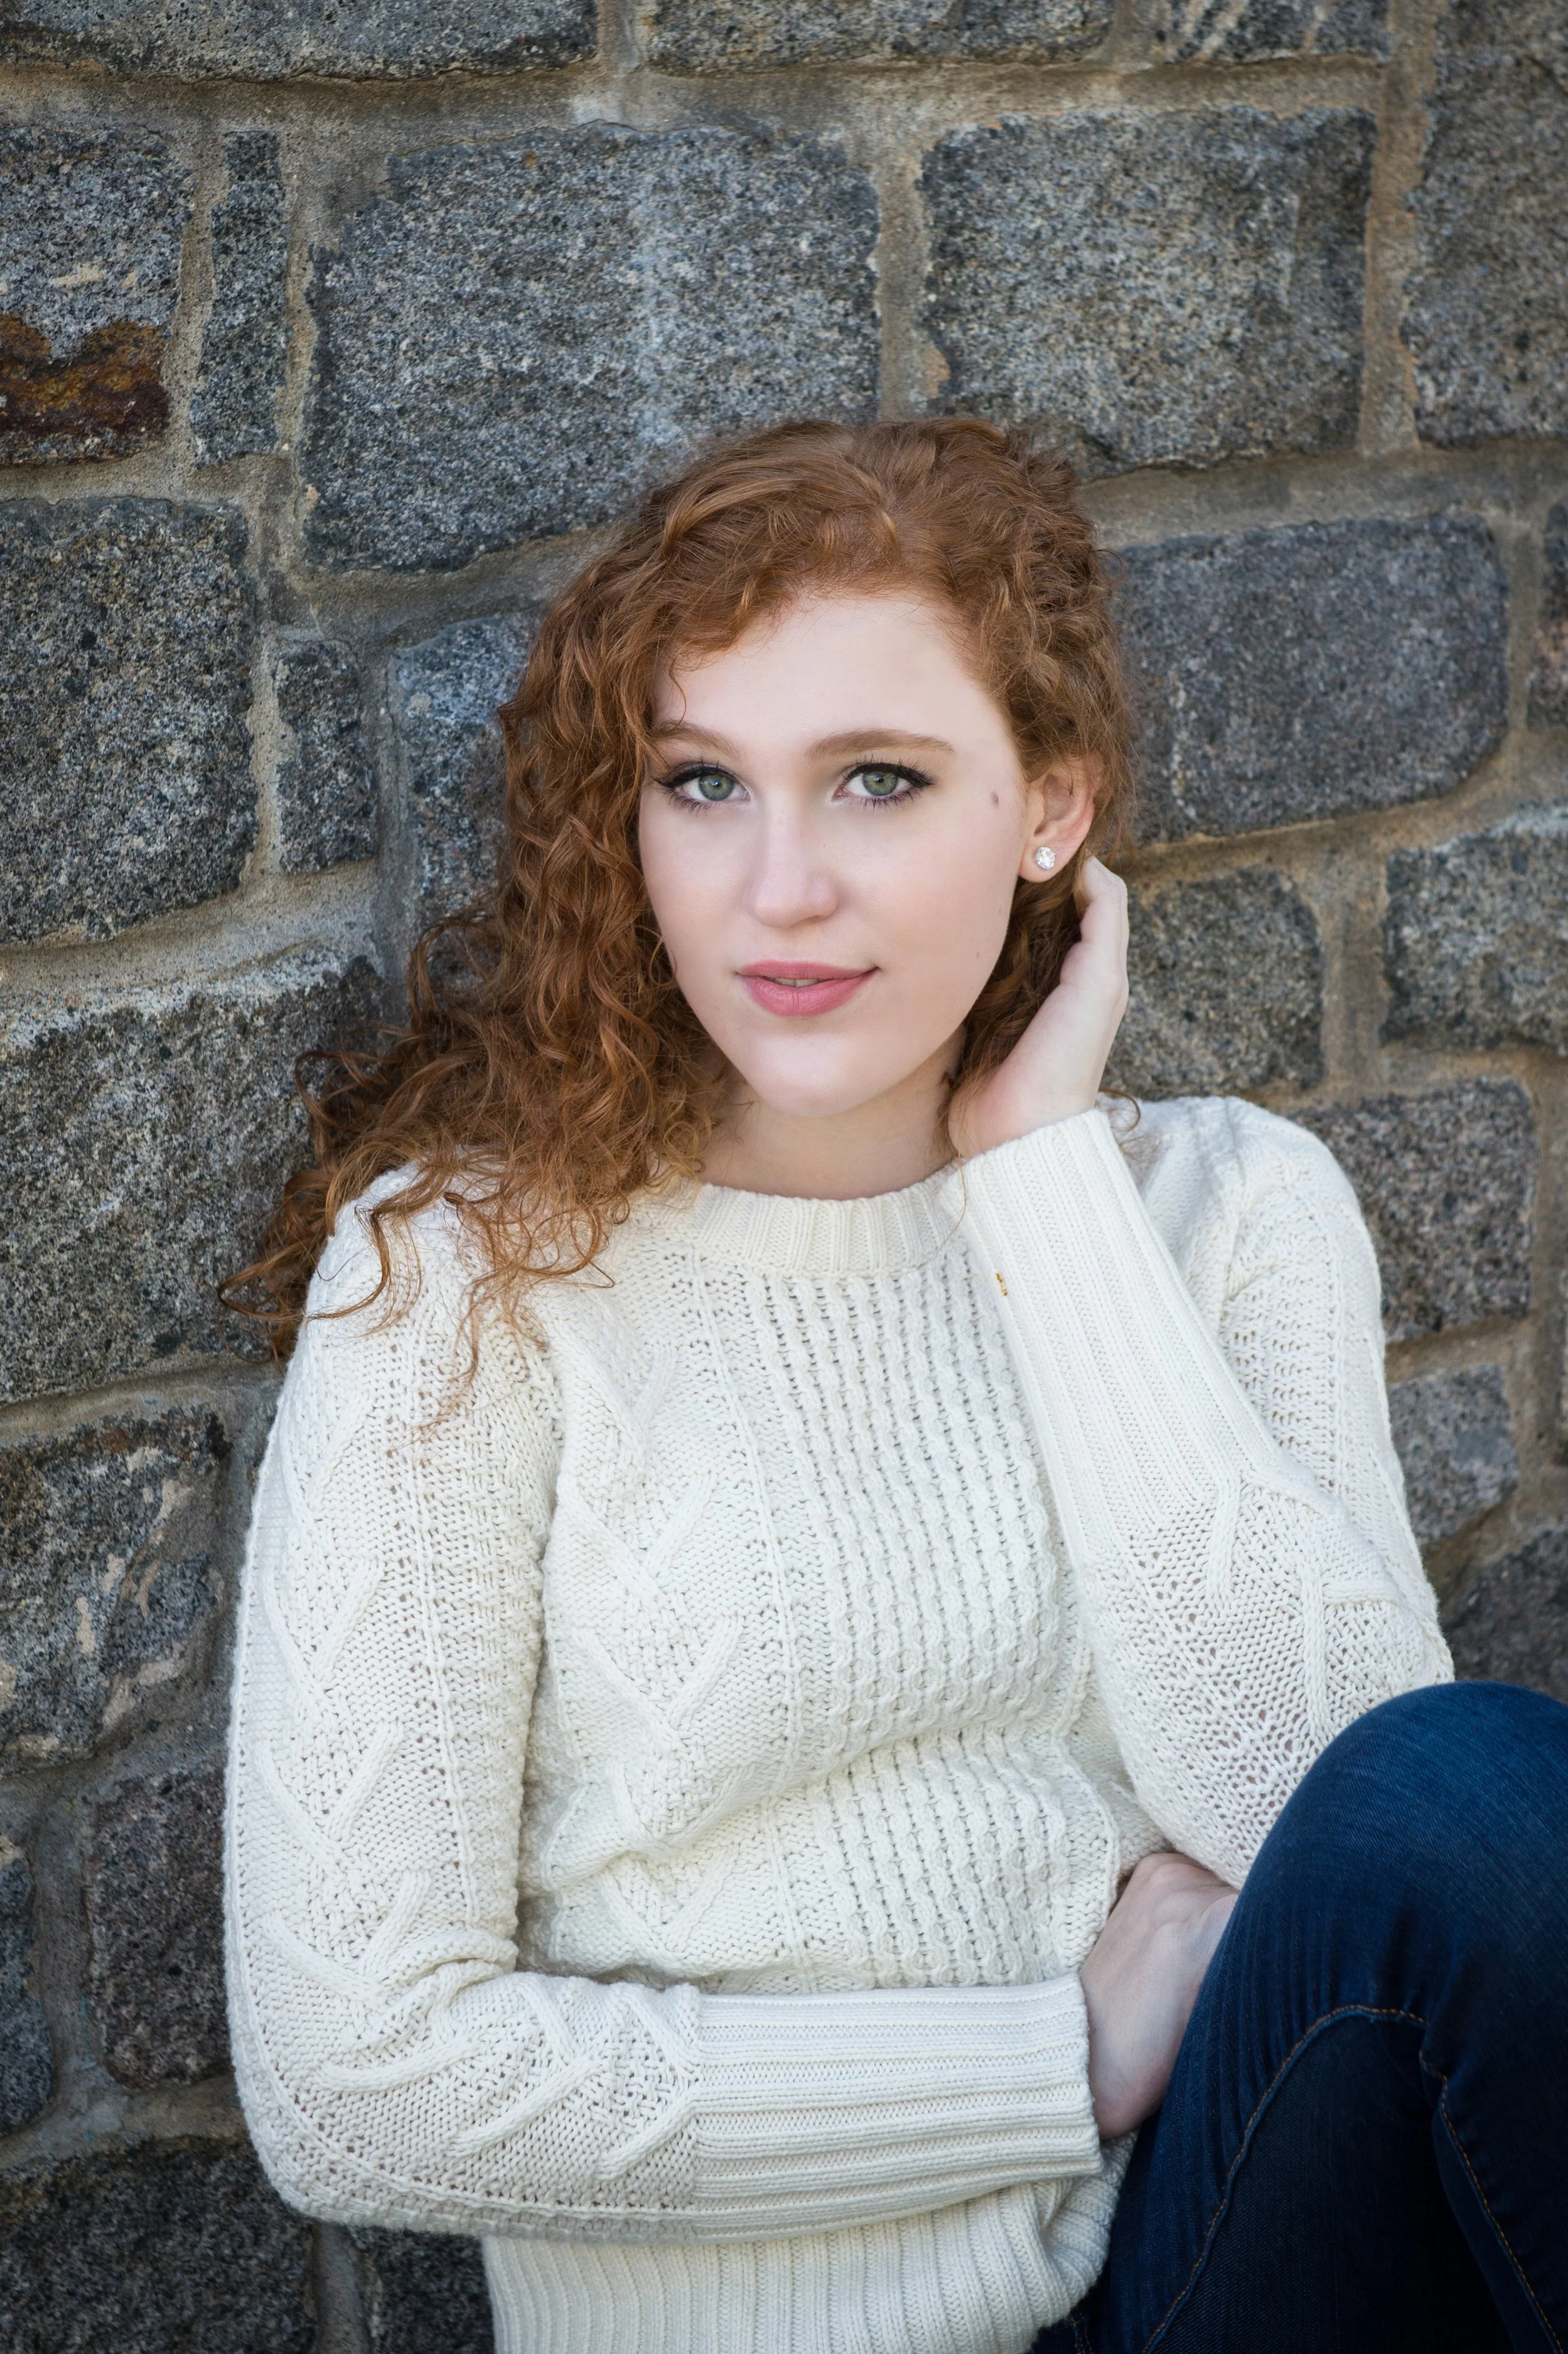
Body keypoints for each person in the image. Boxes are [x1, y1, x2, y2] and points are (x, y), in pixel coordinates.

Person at [222, 419, 1567, 2354]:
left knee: (1479, 1792)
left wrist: (1042, 1186)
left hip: (1206, 2258)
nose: (779, 888)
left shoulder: (1226, 1209)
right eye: (702, 782)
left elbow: (1355, 1839)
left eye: (877, 780)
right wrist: (1055, 2054)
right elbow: (357, 2084)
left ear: (1047, 807)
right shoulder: (465, 1277)